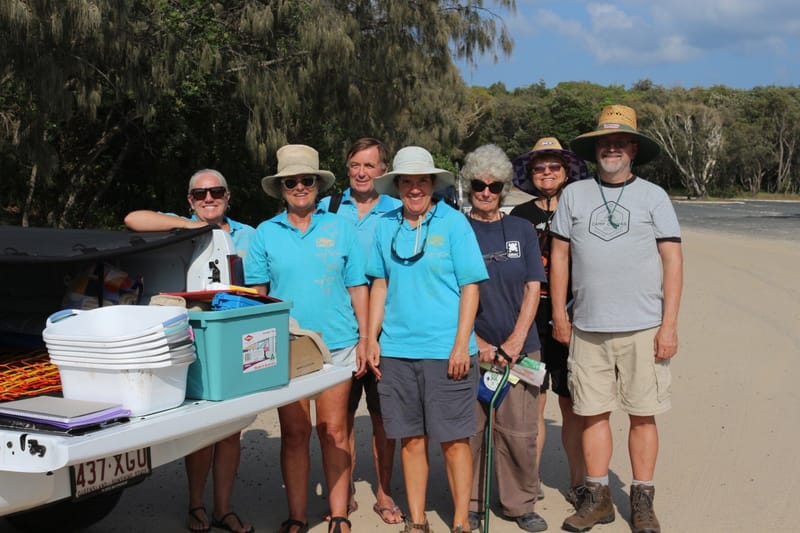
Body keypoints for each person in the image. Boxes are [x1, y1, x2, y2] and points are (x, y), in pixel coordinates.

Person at [549, 105, 683, 533]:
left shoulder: (654, 196)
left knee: (643, 414)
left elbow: (673, 260)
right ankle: (597, 497)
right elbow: (560, 256)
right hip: (587, 327)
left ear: (633, 149)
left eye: (619, 142)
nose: (611, 148)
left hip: (644, 326)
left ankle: (642, 499)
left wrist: (670, 324)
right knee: (592, 413)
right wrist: (558, 314)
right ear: (595, 151)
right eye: (603, 143)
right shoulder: (574, 195)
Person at [245, 145, 369, 533]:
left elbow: (358, 287)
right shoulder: (265, 233)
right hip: (289, 346)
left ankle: (339, 515)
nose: (300, 187)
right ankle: (297, 516)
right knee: (295, 434)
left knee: (333, 431)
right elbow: (256, 297)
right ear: (281, 188)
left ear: (318, 184)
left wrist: (367, 338)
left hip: (338, 344)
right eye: (291, 181)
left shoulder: (340, 227)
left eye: (307, 180)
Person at [365, 146, 488, 533]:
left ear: (432, 185)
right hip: (398, 352)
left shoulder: (453, 224)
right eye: (407, 182)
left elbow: (471, 287)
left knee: (454, 440)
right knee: (411, 439)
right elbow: (380, 285)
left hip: (446, 351)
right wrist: (371, 338)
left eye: (421, 182)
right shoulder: (385, 225)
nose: (414, 189)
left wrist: (460, 344)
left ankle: (460, 521)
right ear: (397, 185)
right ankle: (416, 521)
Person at [125, 169, 255, 533]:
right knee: (202, 428)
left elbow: (261, 283)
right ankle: (196, 504)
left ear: (228, 196)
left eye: (216, 192)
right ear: (190, 200)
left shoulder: (248, 234)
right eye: (200, 194)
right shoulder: (177, 226)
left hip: (235, 338)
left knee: (231, 430)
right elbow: (133, 220)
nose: (208, 199)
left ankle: (224, 508)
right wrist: (185, 228)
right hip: (194, 338)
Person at [462, 145, 548, 533]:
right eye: (478, 184)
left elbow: (534, 286)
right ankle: (473, 502)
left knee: (519, 431)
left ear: (504, 187)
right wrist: (475, 342)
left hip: (521, 347)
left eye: (493, 185)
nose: (485, 191)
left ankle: (520, 503)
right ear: (468, 186)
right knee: (472, 430)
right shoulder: (456, 228)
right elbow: (450, 292)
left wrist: (515, 341)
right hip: (471, 347)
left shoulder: (521, 229)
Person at [318, 138, 404, 525]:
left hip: (388, 329)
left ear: (383, 170)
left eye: (370, 165)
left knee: (384, 417)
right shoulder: (328, 207)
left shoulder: (398, 208)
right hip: (341, 332)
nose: (362, 172)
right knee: (342, 417)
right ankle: (345, 488)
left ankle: (384, 492)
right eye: (355, 164)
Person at [509, 137, 589, 510]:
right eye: (539, 167)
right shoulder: (519, 216)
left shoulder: (582, 208)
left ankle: (578, 482)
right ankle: (531, 479)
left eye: (554, 166)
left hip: (576, 315)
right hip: (531, 318)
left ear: (567, 170)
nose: (546, 173)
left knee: (572, 404)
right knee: (533, 403)